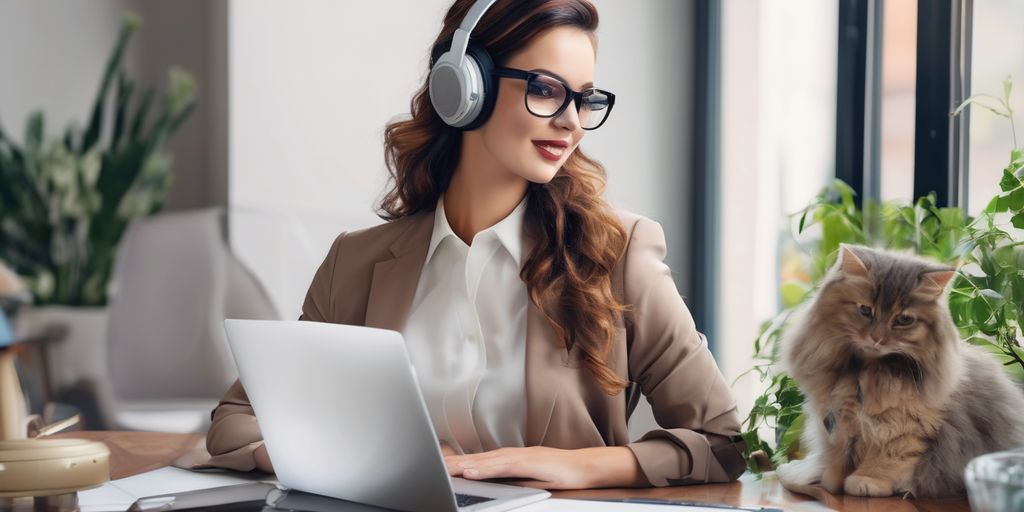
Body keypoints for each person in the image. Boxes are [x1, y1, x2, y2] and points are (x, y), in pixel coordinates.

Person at [206, 0, 746, 489]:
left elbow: (724, 442)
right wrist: (356, 455)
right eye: (545, 89)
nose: (572, 122)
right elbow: (235, 423)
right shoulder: (356, 261)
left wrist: (576, 465)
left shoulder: (620, 254)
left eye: (585, 100)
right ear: (465, 86)